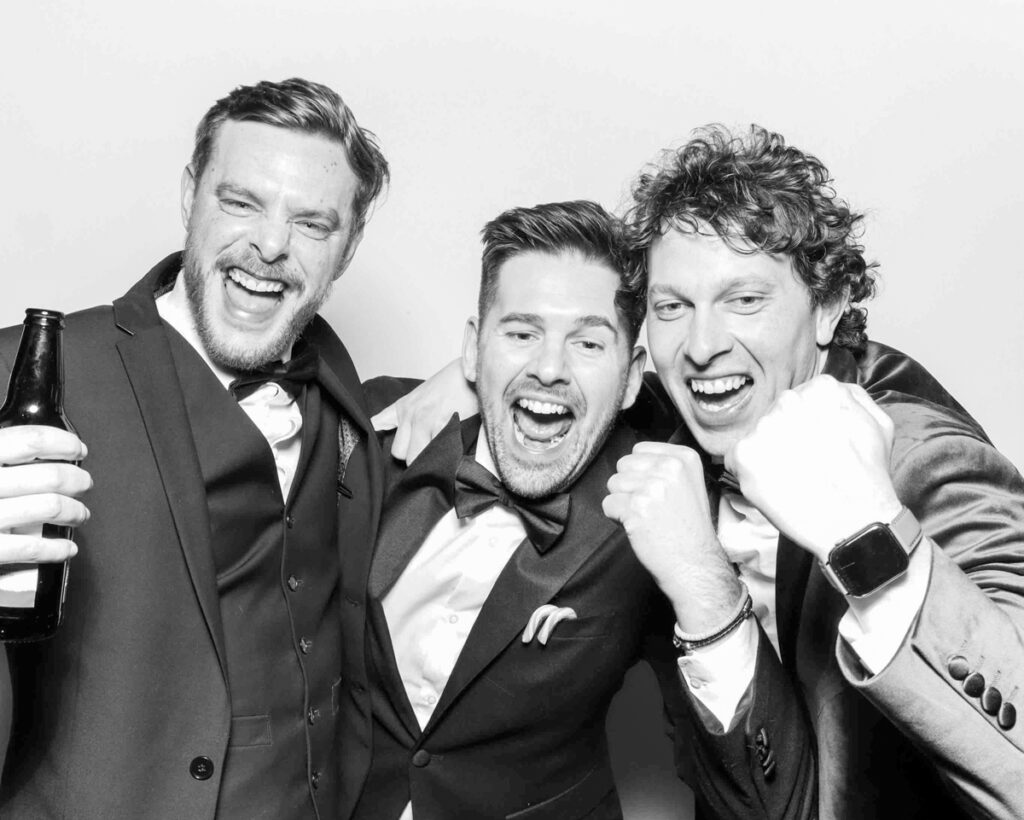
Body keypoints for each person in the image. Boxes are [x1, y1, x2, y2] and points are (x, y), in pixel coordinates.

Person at [603, 124, 1024, 819]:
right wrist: (470, 382)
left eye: (745, 299)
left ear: (827, 308)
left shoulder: (920, 454)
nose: (702, 346)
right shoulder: (674, 439)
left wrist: (873, 546)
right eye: (673, 307)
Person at [0, 78, 389, 819]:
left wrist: (471, 379)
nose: (271, 245)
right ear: (190, 194)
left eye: (312, 223)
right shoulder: (30, 375)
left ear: (347, 246)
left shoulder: (341, 392)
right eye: (241, 202)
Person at [354, 200, 686, 820]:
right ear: (473, 346)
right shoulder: (376, 433)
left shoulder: (655, 507)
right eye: (521, 333)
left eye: (588, 342)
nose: (550, 369)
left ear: (633, 373)